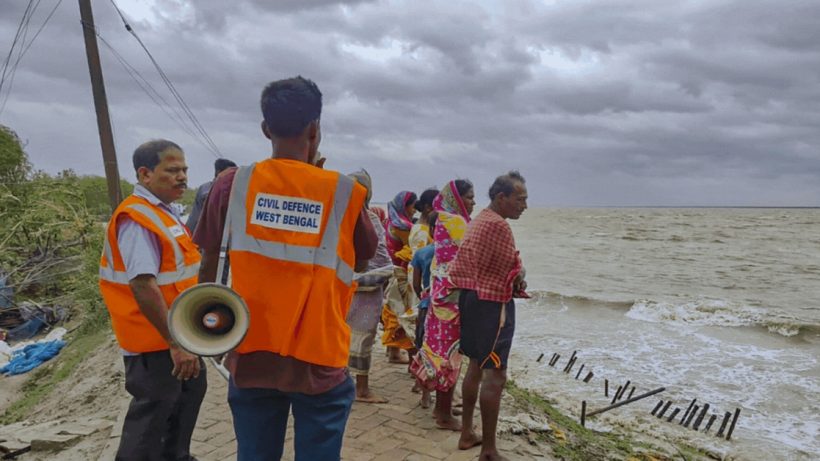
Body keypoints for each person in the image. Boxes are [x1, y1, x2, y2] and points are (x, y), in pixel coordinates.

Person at [193, 76, 377, 461]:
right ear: (315, 129)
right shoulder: (343, 191)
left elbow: (208, 260)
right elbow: (362, 258)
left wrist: (197, 335)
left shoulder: (232, 184)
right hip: (319, 357)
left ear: (265, 129)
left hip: (250, 349)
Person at [99, 139, 206, 461]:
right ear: (145, 175)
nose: (182, 177)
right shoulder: (137, 219)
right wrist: (176, 343)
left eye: (184, 169)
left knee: (184, 407)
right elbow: (143, 285)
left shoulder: (165, 214)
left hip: (175, 337)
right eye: (172, 170)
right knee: (149, 428)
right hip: (155, 343)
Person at [451, 171, 529, 461]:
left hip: (471, 299)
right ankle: (488, 450)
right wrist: (520, 276)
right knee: (495, 374)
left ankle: (467, 432)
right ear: (501, 198)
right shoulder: (498, 226)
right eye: (520, 199)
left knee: (474, 364)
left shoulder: (480, 220)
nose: (524, 205)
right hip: (492, 305)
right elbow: (513, 272)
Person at [411, 179, 476, 431]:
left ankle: (442, 409)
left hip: (440, 296)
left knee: (440, 353)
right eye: (469, 197)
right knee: (450, 356)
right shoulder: (455, 222)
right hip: (451, 301)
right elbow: (472, 254)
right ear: (457, 199)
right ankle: (444, 415)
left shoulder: (442, 220)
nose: (473, 202)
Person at [346, 170, 393, 403]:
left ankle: (354, 386)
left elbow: (380, 257)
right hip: (358, 289)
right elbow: (382, 259)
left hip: (349, 287)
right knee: (358, 336)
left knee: (356, 336)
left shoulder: (345, 218)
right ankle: (359, 389)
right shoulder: (369, 219)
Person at [381, 191, 419, 363]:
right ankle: (408, 359)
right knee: (404, 315)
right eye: (412, 206)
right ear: (405, 206)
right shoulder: (404, 226)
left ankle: (392, 351)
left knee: (391, 312)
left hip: (390, 270)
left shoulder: (390, 221)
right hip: (401, 273)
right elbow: (413, 248)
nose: (414, 210)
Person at [410, 211, 438, 409]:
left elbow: (416, 284)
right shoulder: (454, 253)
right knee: (440, 353)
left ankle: (423, 392)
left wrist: (423, 298)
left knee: (423, 348)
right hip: (445, 310)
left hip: (425, 306)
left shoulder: (422, 253)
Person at [185, 158, 236, 232]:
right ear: (219, 172)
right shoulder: (207, 190)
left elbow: (194, 217)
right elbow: (195, 217)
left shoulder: (204, 188)